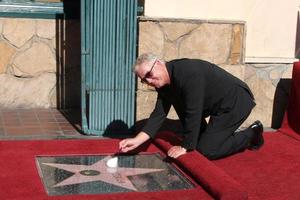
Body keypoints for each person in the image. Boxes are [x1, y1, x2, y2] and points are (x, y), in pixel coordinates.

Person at [119, 53, 264, 160]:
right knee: (179, 100)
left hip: (235, 101)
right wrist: (137, 140)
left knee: (207, 151)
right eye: (144, 80)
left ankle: (252, 134)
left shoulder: (188, 72)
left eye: (149, 74)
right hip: (213, 105)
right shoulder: (163, 83)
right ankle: (209, 135)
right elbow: (159, 114)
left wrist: (186, 146)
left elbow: (193, 111)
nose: (149, 81)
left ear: (158, 63)